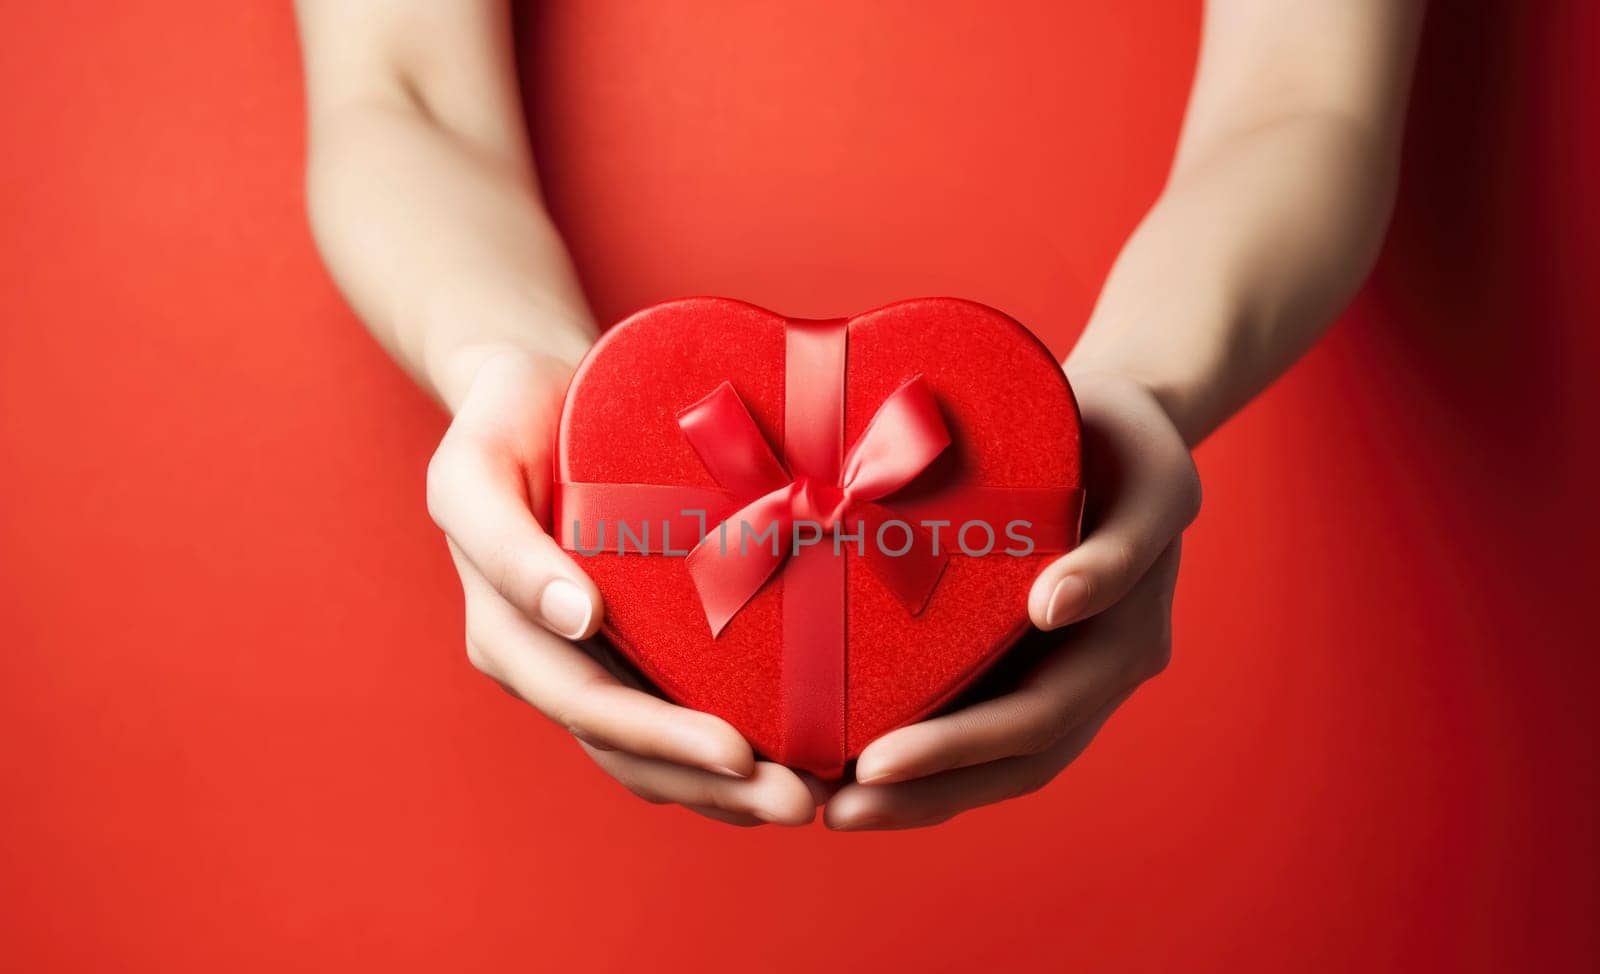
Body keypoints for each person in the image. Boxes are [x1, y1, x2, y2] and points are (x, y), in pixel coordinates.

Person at [293, 2, 1424, 830]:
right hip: (527, 764)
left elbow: (1306, 94)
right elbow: (397, 87)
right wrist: (511, 368)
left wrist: (1138, 399)